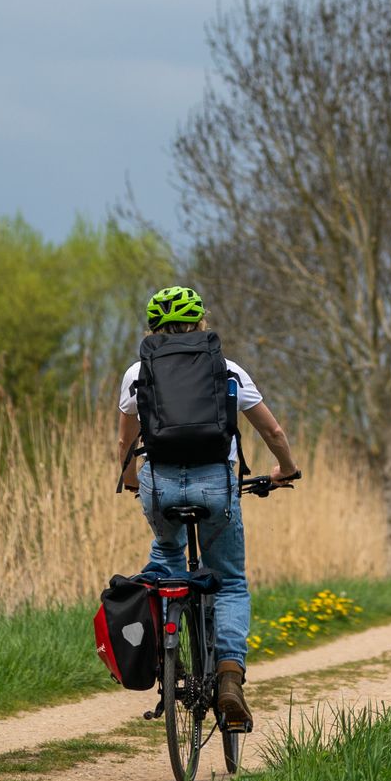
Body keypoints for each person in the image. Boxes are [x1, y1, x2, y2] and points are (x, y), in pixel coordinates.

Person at [118, 284, 300, 731]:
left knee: (164, 560)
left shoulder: (137, 372)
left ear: (152, 328)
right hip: (217, 488)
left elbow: (126, 442)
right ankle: (229, 678)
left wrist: (128, 480)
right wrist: (286, 469)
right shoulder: (229, 369)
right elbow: (272, 432)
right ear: (202, 323)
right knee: (231, 582)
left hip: (160, 488)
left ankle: (166, 656)